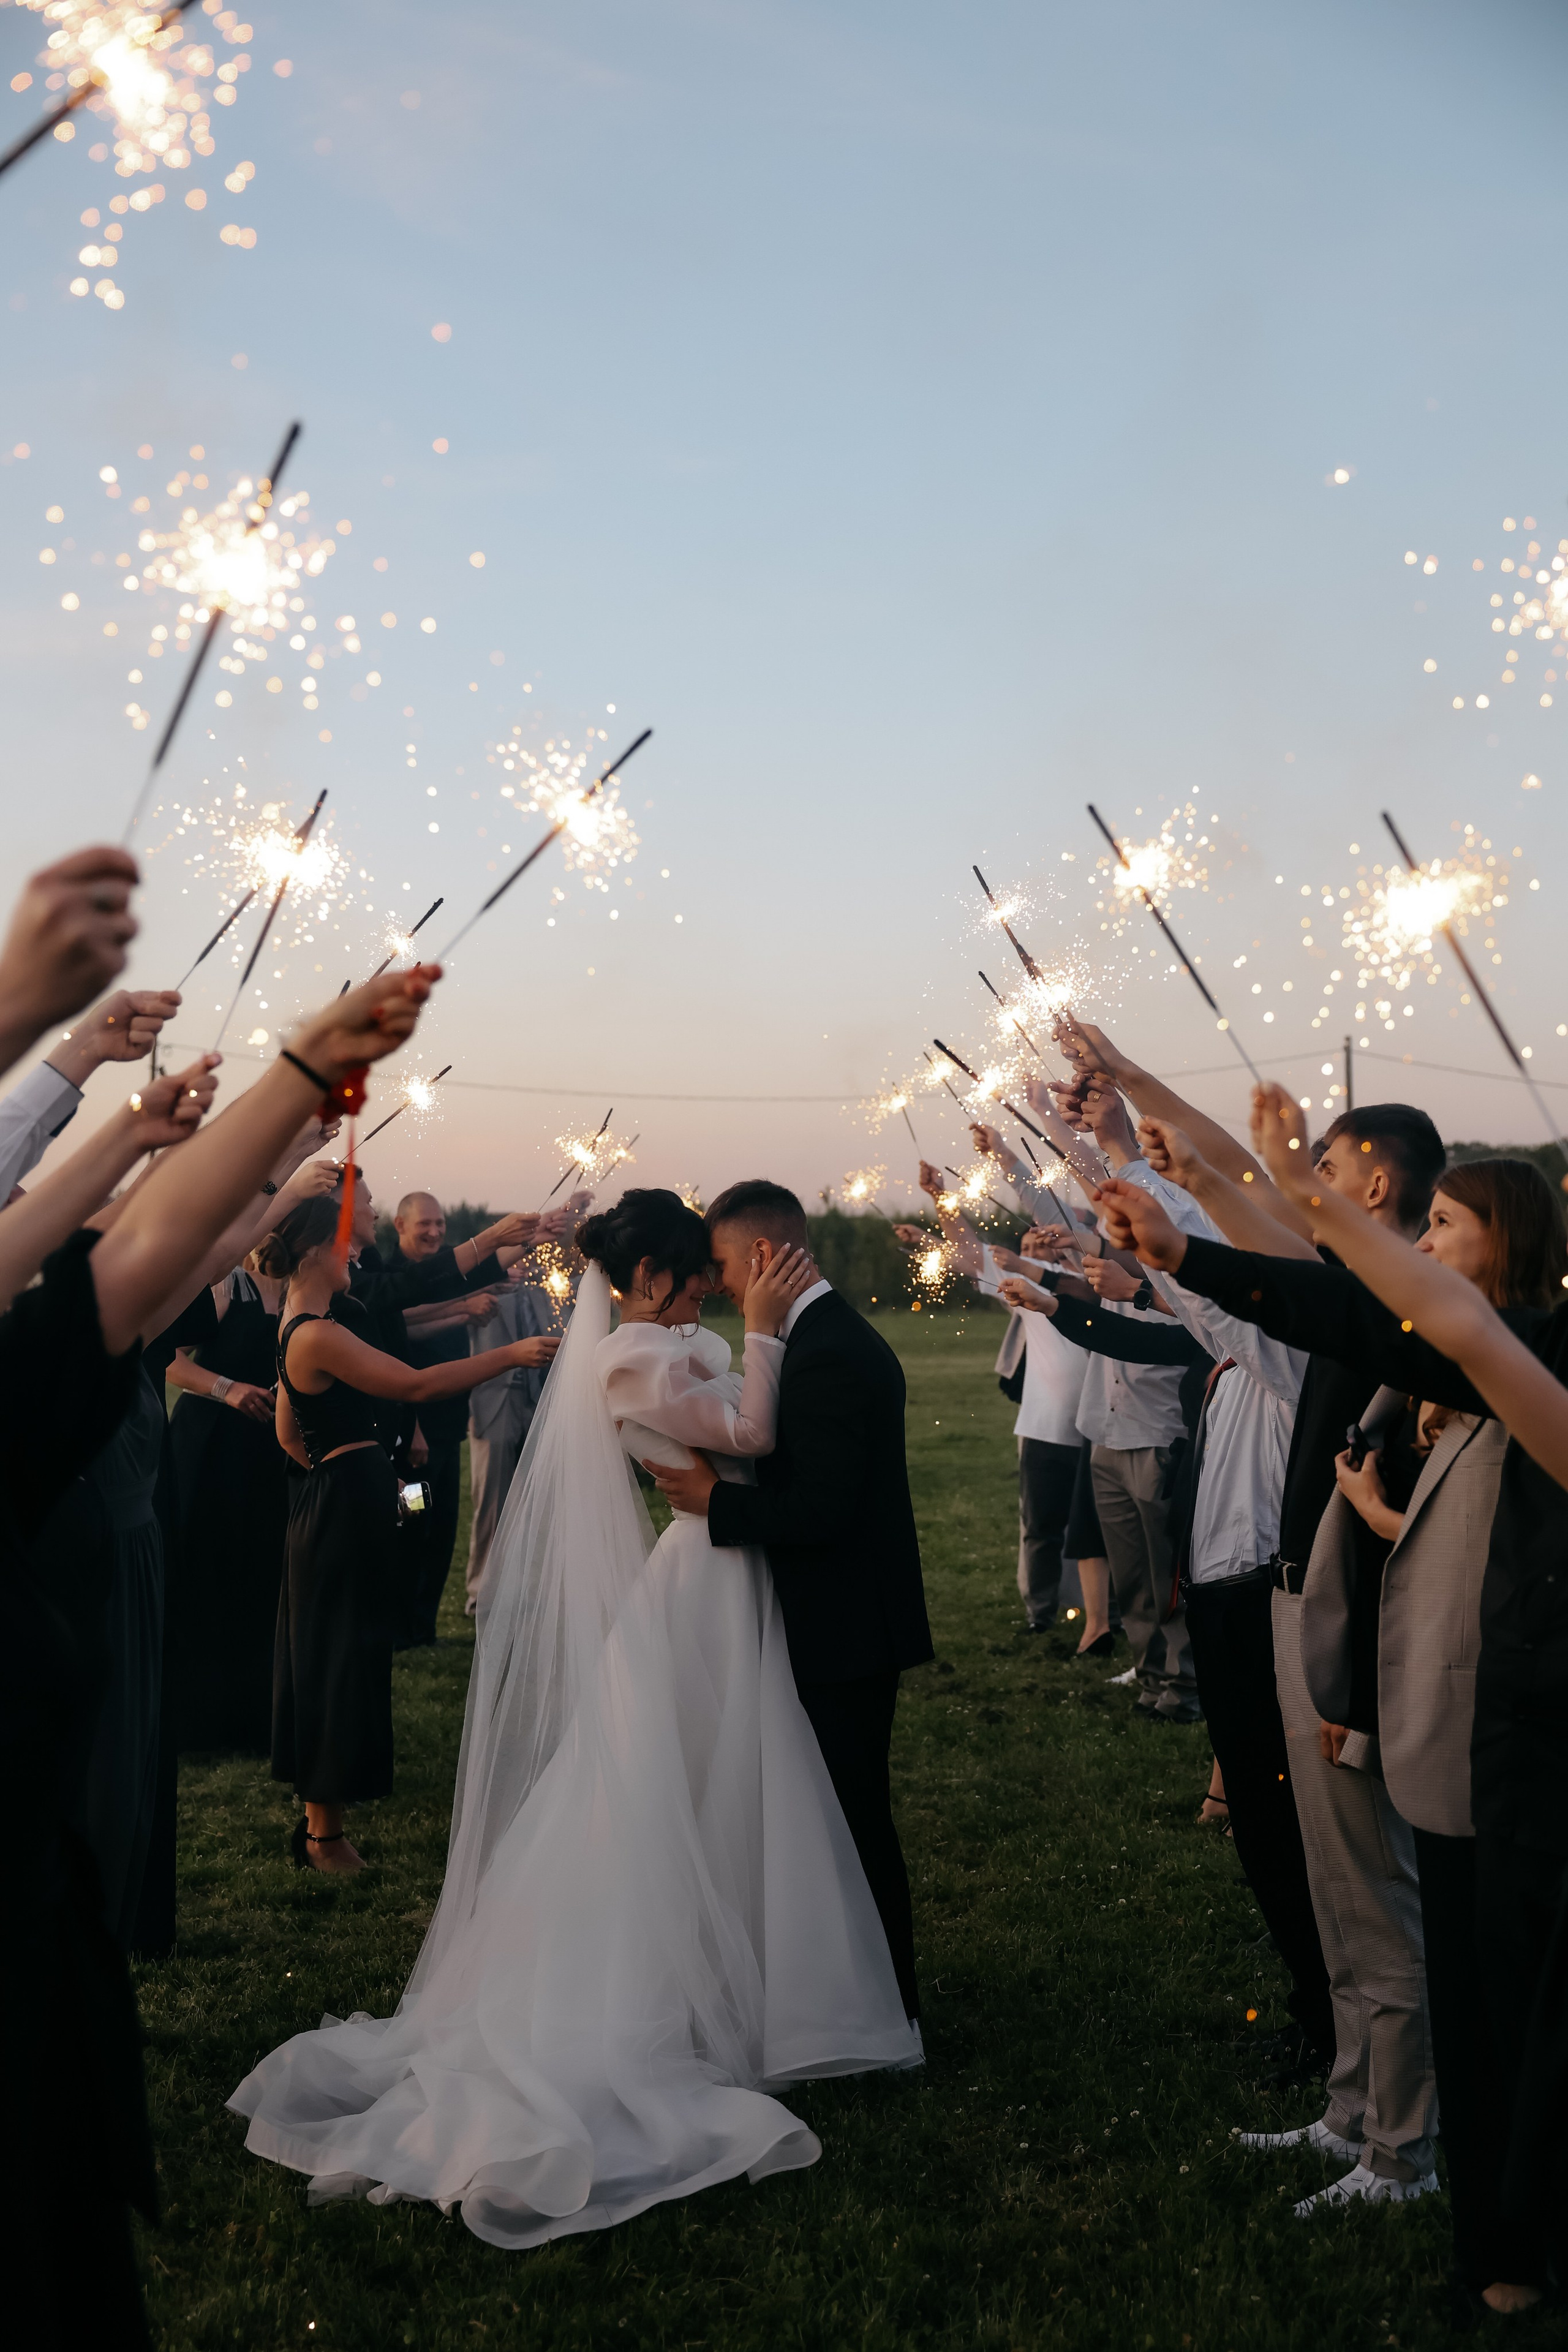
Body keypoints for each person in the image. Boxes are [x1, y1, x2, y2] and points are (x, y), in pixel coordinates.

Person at [230, 1187, 921, 2244]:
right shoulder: (627, 1359)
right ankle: (724, 1981)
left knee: (727, 1771)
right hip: (706, 1575)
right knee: (694, 1769)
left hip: (726, 1567)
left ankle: (765, 1962)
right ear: (649, 1279)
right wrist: (770, 1338)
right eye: (692, 1275)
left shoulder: (655, 1343)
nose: (707, 1290)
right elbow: (749, 1428)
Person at [1202, 1086, 1568, 2313]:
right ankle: (1491, 2244)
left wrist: (1295, 1198)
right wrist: (1188, 1203)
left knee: (1486, 1991)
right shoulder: (1445, 1357)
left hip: (1503, 1732)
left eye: (1448, 1226)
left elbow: (1437, 1325)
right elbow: (1316, 1288)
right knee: (1473, 1994)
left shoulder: (1513, 1365)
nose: (1423, 1249)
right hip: (1468, 1730)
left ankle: (1470, 2207)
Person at [654, 1177, 934, 2019]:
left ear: (765, 1254)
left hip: (845, 1625)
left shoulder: (832, 1355)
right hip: (836, 1615)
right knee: (833, 1821)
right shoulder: (819, 1340)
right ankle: (844, 1993)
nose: (721, 1284)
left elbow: (822, 1509)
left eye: (724, 1266)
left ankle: (890, 2006)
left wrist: (717, 1505)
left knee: (851, 1823)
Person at [262, 1193, 560, 1872]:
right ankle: (322, 1839)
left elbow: (288, 1432)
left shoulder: (299, 1321)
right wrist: (511, 1352)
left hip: (340, 1499)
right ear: (315, 1252)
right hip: (344, 1507)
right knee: (336, 1661)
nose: (358, 1258)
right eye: (347, 1248)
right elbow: (417, 1386)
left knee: (339, 1654)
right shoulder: (318, 1332)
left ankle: (323, 1825)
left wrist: (344, 1475)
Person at [464, 1270, 559, 1613]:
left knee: (536, 1504)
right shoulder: (476, 1288)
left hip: (538, 1402)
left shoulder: (546, 1289)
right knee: (491, 1503)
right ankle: (480, 1593)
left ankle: (524, 1592)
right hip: (494, 1403)